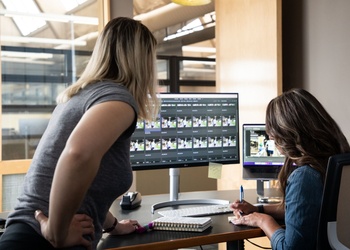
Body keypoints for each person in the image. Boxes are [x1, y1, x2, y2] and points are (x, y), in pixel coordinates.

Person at [0, 17, 159, 250]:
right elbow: (77, 155)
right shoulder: (118, 100)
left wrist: (112, 225)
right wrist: (56, 231)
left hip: (27, 232)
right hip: (43, 238)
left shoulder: (81, 96)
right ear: (143, 60)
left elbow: (88, 185)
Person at [230, 88, 350, 249]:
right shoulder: (338, 161)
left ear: (287, 132)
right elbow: (309, 211)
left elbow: (290, 248)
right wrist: (257, 209)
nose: (271, 138)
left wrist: (263, 220)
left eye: (273, 135)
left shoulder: (305, 177)